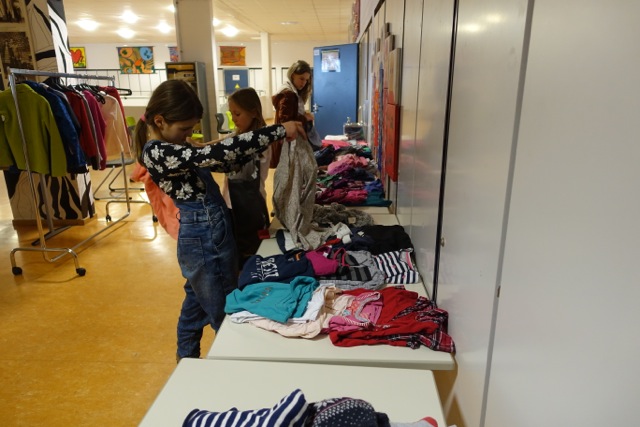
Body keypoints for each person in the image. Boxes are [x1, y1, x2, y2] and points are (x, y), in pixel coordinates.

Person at [132, 79, 304, 361]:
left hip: (210, 232)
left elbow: (222, 161)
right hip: (204, 237)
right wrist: (277, 130)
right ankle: (235, 366)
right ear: (160, 121)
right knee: (227, 310)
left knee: (194, 308)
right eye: (184, 129)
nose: (188, 135)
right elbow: (212, 154)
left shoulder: (174, 146)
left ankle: (186, 362)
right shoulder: (157, 151)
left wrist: (253, 144)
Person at [223, 87, 272, 266]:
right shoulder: (235, 137)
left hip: (251, 206)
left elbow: (239, 147)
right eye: (231, 114)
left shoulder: (260, 141)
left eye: (237, 114)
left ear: (253, 112)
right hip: (230, 203)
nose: (234, 119)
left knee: (253, 252)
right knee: (235, 251)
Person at [271, 59, 318, 167]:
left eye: (306, 80)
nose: (304, 83)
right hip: (288, 140)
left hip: (289, 139)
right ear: (292, 75)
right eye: (301, 78)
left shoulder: (290, 91)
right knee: (290, 171)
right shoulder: (288, 94)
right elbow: (286, 121)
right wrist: (305, 117)